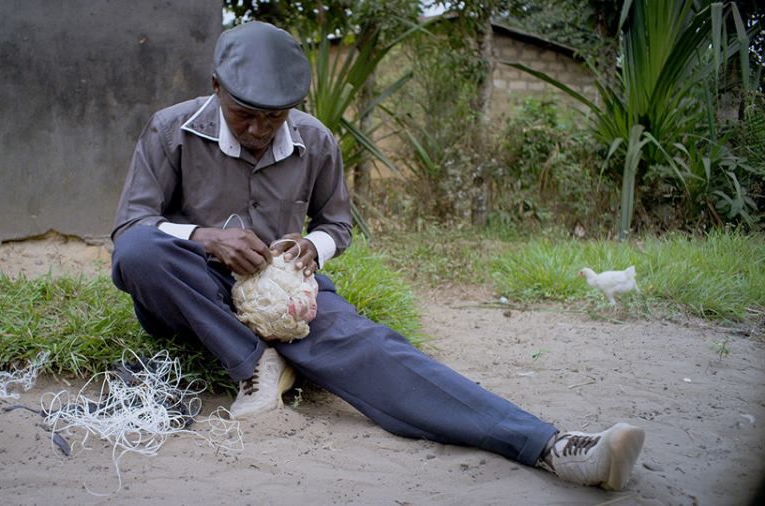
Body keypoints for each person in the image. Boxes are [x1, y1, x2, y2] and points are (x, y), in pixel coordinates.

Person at [110, 21, 645, 491]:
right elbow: (131, 225)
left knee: (379, 351)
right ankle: (256, 365)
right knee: (139, 253)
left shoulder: (316, 142)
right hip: (192, 293)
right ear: (216, 87)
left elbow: (336, 225)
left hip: (282, 302)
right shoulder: (171, 130)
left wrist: (310, 249)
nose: (257, 131)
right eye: (244, 115)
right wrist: (205, 237)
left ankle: (557, 449)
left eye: (273, 118)